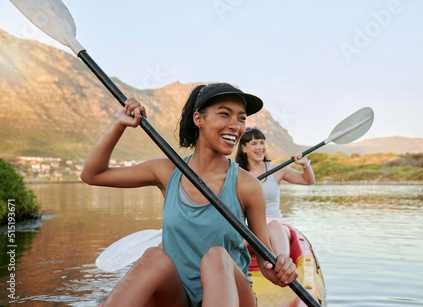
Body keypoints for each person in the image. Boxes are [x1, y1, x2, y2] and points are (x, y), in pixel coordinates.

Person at [80, 83, 298, 307]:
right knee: (153, 257)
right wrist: (118, 124)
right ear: (198, 119)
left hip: (235, 297)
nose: (235, 126)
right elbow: (93, 175)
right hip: (179, 298)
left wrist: (281, 267)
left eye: (241, 118)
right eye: (224, 114)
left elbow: (265, 261)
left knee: (216, 257)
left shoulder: (247, 185)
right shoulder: (167, 171)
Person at [235, 127, 315, 257]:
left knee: (274, 226)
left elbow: (307, 180)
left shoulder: (277, 169)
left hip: (277, 227)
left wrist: (305, 165)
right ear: (244, 148)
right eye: (254, 144)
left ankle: (283, 266)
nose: (260, 147)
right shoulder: (237, 174)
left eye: (262, 142)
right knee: (245, 232)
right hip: (249, 229)